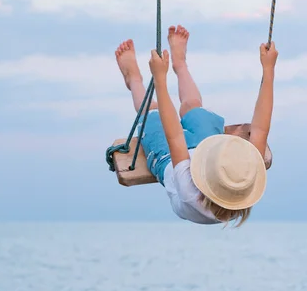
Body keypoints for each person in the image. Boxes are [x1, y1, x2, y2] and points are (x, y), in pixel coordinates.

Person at [115, 25, 278, 226]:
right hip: (209, 149)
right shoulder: (244, 178)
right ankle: (180, 64)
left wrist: (159, 79)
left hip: (169, 161)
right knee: (192, 106)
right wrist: (269, 70)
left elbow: (174, 135)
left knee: (152, 110)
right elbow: (261, 128)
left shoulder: (189, 191)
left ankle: (133, 79)